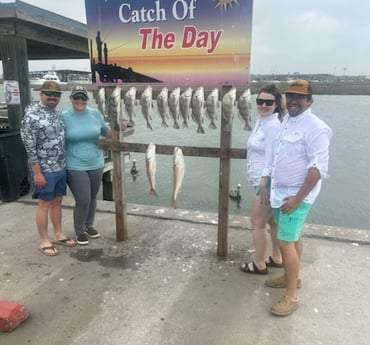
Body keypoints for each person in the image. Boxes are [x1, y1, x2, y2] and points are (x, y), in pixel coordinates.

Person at [262, 79, 332, 316]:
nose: (292, 101)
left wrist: (298, 198)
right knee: (294, 237)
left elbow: (317, 168)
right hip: (280, 192)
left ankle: (291, 296)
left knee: (285, 242)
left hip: (297, 196)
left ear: (309, 100)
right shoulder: (286, 122)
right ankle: (292, 277)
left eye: (299, 97)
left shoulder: (316, 128)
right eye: (289, 96)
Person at [20, 81, 77, 256]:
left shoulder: (58, 113)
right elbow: (29, 147)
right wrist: (37, 172)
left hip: (60, 166)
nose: (52, 97)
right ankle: (44, 239)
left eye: (56, 95)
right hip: (44, 169)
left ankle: (58, 234)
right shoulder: (31, 116)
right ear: (41, 94)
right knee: (44, 204)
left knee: (58, 202)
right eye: (48, 94)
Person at [62, 85, 121, 245]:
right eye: (76, 97)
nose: (80, 101)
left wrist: (117, 128)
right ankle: (79, 230)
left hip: (96, 162)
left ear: (87, 100)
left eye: (83, 98)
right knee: (83, 199)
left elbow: (104, 131)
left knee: (93, 197)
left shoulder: (95, 114)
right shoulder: (64, 116)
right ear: (71, 99)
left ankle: (89, 225)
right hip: (74, 165)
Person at [240, 84, 284, 274]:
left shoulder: (273, 125)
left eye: (269, 102)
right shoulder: (262, 120)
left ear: (277, 104)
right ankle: (277, 257)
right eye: (260, 101)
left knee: (257, 222)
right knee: (273, 221)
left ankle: (259, 264)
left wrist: (264, 184)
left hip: (266, 182)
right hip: (262, 180)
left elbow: (272, 157)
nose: (263, 105)